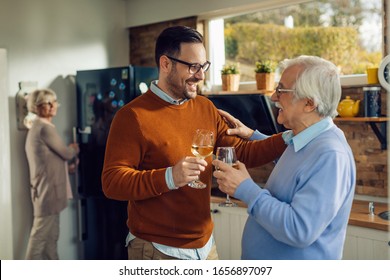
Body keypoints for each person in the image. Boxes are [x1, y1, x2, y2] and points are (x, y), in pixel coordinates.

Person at [101, 25, 287, 260]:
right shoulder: (132, 116)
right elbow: (112, 182)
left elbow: (242, 152)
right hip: (157, 250)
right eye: (193, 67)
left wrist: (292, 136)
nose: (200, 75)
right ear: (166, 64)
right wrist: (170, 177)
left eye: (203, 66)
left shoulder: (204, 106)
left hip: (206, 247)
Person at [213, 55, 356, 260]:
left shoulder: (330, 155)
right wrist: (252, 135)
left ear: (309, 103)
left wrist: (245, 188)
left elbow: (299, 230)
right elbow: (298, 168)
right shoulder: (305, 140)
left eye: (281, 90)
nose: (273, 96)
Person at [25, 88, 79, 259]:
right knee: (39, 241)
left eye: (53, 102)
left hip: (48, 192)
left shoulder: (38, 126)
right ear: (36, 107)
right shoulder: (44, 128)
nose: (51, 106)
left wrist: (67, 169)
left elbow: (49, 160)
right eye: (46, 103)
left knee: (50, 241)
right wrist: (74, 149)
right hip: (48, 193)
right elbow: (66, 153)